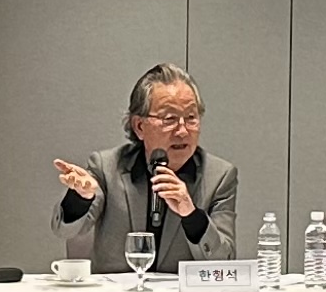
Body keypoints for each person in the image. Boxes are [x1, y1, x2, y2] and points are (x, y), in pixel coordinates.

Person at [54, 64, 238, 270]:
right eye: (170, 119)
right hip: (120, 289)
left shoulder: (219, 176)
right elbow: (65, 230)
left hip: (179, 290)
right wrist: (81, 198)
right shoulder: (107, 167)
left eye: (191, 118)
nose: (183, 131)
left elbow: (224, 262)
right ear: (139, 126)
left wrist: (191, 215)